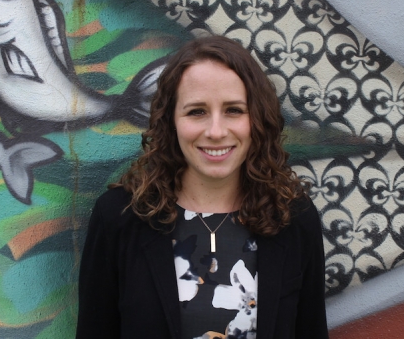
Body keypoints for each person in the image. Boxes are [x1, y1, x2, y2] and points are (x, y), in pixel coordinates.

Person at [76, 36, 328, 339]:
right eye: (197, 111)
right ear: (171, 121)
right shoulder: (120, 216)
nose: (216, 131)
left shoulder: (293, 218)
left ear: (257, 119)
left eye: (234, 110)